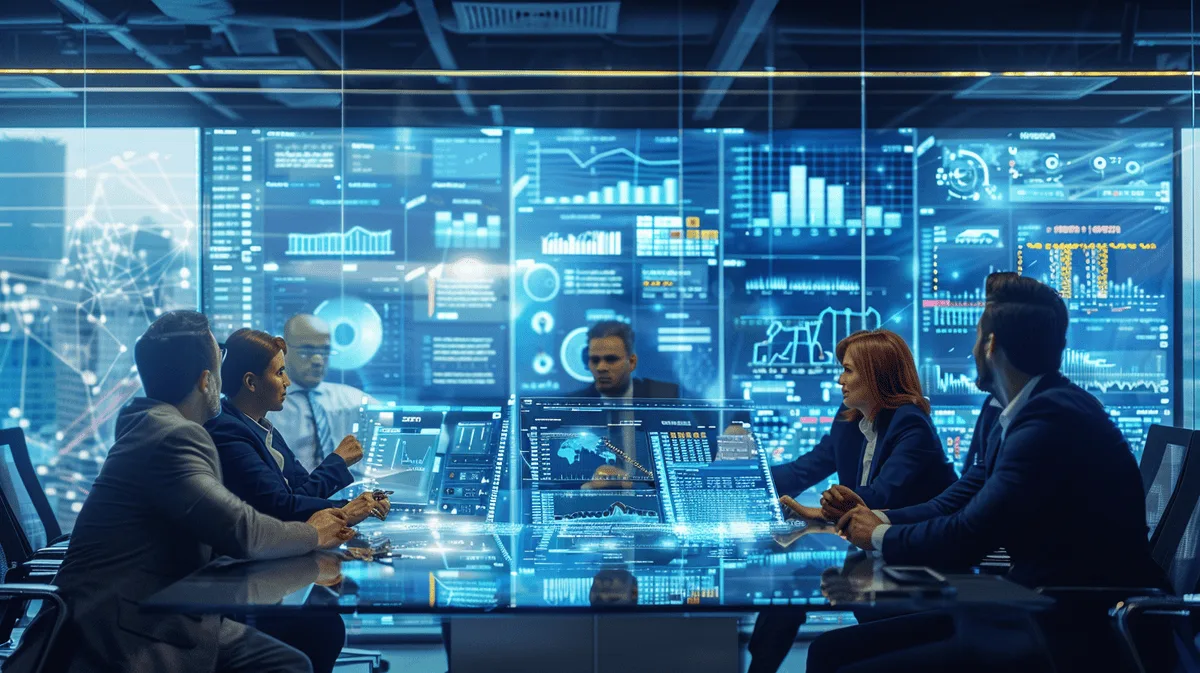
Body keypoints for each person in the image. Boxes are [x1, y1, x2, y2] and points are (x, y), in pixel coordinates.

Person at [812, 274, 1165, 672]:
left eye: (977, 336)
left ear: (991, 345)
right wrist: (882, 519)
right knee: (827, 651)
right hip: (1029, 605)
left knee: (838, 662)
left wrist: (876, 535)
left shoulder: (1050, 421)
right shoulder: (1011, 411)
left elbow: (970, 534)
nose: (972, 348)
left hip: (1066, 628)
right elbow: (963, 494)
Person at [2, 311, 356, 673]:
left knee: (295, 652)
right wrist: (315, 532)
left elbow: (216, 528)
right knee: (293, 658)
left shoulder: (152, 424)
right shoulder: (172, 436)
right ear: (206, 381)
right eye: (219, 371)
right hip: (125, 631)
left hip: (148, 607)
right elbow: (243, 531)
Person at [747, 329, 956, 673]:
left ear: (876, 375)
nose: (840, 378)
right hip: (870, 561)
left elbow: (881, 495)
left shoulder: (911, 423)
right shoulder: (848, 421)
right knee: (786, 590)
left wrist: (824, 511)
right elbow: (804, 470)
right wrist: (740, 479)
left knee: (825, 647)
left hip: (915, 570)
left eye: (848, 370)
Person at [205, 328, 392, 673]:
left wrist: (353, 502)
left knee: (324, 624)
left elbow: (300, 491)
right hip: (244, 576)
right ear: (251, 382)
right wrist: (343, 495)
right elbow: (279, 505)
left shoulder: (259, 428)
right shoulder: (229, 432)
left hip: (270, 564)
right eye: (279, 372)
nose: (288, 382)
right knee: (321, 628)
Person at [271, 314, 377, 472]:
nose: (318, 360)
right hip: (291, 493)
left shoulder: (352, 400)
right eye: (307, 350)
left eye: (325, 351)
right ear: (283, 350)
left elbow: (397, 420)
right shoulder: (266, 408)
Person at [567, 320, 679, 399]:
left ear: (632, 362)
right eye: (595, 360)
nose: (601, 367)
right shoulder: (572, 407)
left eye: (611, 359)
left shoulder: (667, 396)